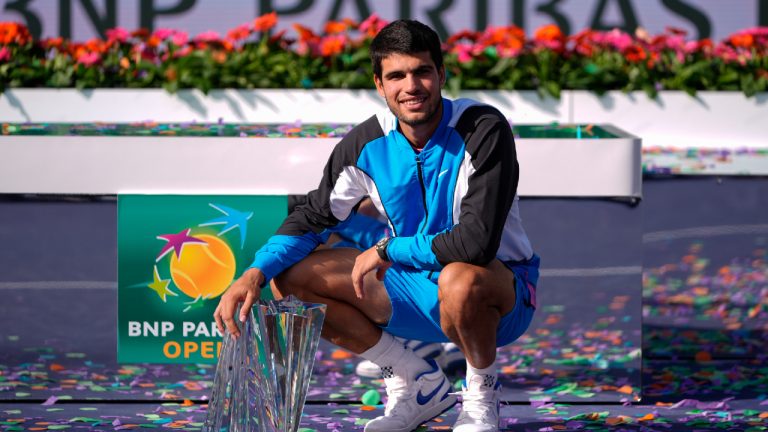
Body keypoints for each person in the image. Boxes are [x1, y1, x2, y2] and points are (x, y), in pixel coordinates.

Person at [214, 19, 539, 432]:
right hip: (413, 291)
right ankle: (413, 379)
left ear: (442, 74)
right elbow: (313, 217)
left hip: (497, 299)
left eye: (422, 71)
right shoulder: (366, 143)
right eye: (396, 75)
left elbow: (475, 243)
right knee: (292, 277)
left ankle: (480, 396)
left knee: (459, 278)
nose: (412, 86)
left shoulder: (483, 128)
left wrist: (388, 250)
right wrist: (253, 274)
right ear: (379, 84)